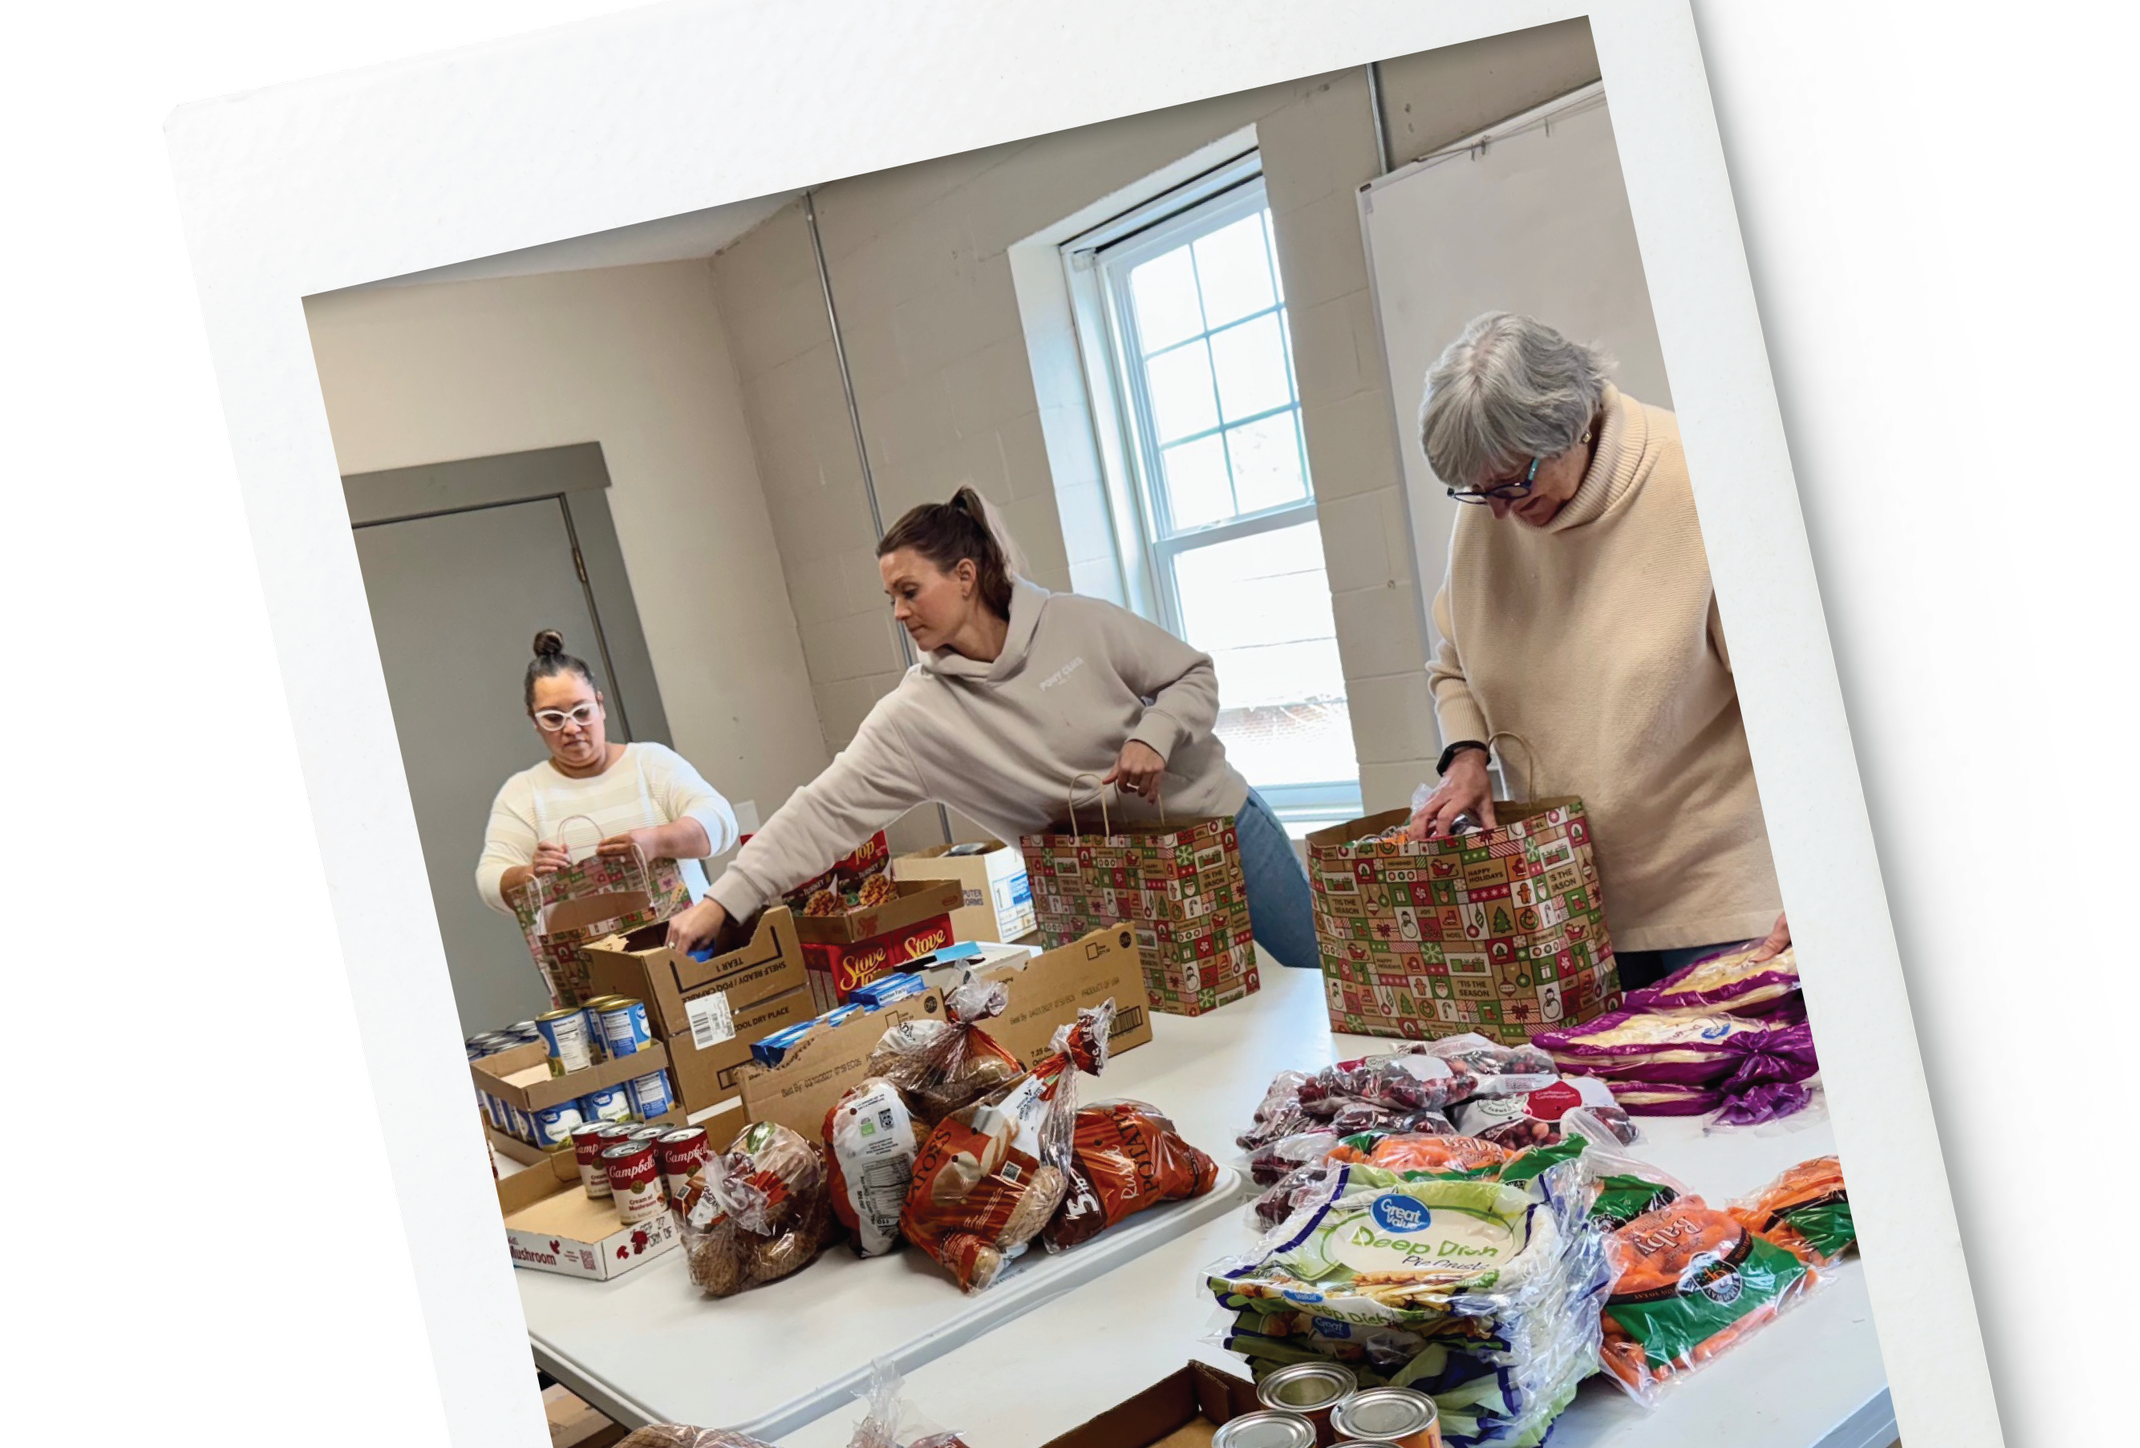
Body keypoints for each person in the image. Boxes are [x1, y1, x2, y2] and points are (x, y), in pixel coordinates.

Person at [669, 489, 1320, 969]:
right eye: (889, 598)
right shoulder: (915, 719)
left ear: (965, 575)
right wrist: (724, 900)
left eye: (909, 590)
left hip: (1219, 831)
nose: (898, 612)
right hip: (1103, 891)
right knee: (1181, 1050)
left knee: (1318, 989)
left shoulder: (1077, 624)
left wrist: (1156, 732)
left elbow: (1193, 675)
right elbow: (822, 812)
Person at [1404, 313, 1781, 991]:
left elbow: (1792, 711)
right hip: (1569, 902)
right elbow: (1454, 658)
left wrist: (1817, 884)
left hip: (1723, 905)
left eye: (1513, 484)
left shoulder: (1698, 484)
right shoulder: (1495, 504)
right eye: (1477, 492)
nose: (1497, 512)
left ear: (1571, 424)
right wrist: (1466, 757)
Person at [477, 632, 739, 929]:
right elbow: (489, 880)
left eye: (581, 711)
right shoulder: (522, 793)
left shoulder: (651, 763)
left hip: (686, 951)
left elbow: (721, 821)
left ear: (600, 705)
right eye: (553, 717)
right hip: (589, 965)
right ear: (534, 720)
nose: (572, 728)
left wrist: (656, 841)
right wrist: (530, 875)